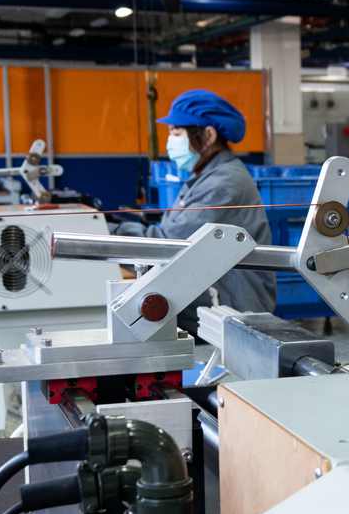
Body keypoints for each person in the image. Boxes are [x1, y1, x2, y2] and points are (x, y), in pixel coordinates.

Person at [116, 90, 276, 333]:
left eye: (176, 133)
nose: (170, 142)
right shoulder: (206, 175)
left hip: (234, 303)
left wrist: (109, 234)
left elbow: (169, 246)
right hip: (216, 290)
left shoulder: (223, 183)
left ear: (208, 135)